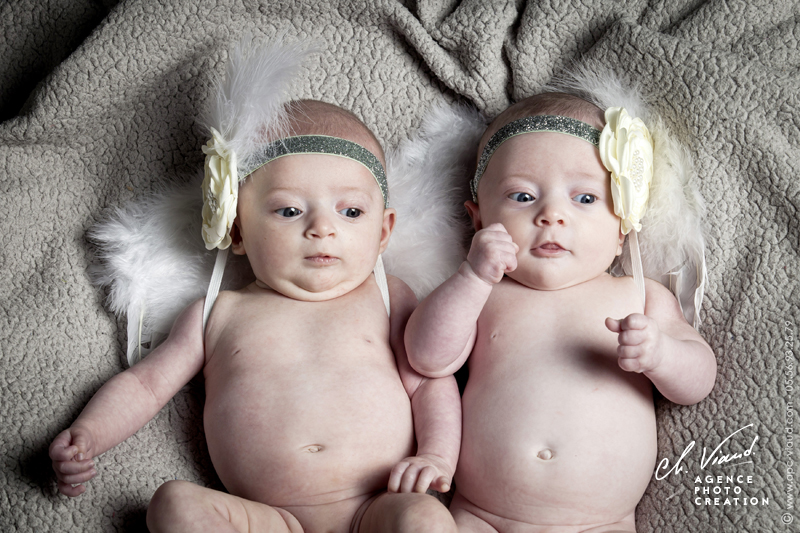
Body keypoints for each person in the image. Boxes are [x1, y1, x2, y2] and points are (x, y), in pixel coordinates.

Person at [49, 38, 461, 532]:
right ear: (238, 231)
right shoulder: (217, 314)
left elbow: (430, 382)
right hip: (269, 519)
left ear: (383, 232)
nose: (322, 228)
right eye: (289, 210)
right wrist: (89, 434)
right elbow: (146, 383)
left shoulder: (389, 297)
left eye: (350, 211)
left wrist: (437, 457)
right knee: (173, 506)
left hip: (375, 509)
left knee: (425, 521)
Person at [405, 92, 717, 532]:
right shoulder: (481, 293)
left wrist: (662, 354)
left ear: (624, 226)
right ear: (478, 220)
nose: (552, 215)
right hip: (480, 515)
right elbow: (425, 357)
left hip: (600, 522)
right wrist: (472, 277)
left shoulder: (639, 296)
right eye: (522, 195)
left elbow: (698, 382)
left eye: (585, 199)